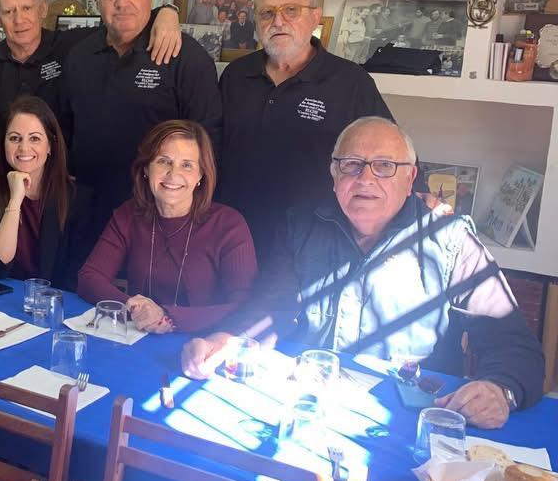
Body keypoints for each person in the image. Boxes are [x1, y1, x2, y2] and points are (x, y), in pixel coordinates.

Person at [182, 118, 543, 429]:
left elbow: (514, 347)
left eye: (384, 166)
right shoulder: (301, 226)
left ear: (410, 177)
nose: (366, 178)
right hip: (311, 409)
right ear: (334, 174)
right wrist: (228, 340)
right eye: (352, 165)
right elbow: (268, 311)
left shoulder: (449, 240)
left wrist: (501, 389)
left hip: (408, 420)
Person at [216, 0, 392, 261]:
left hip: (313, 246)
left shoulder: (350, 81)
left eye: (291, 10)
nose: (278, 21)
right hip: (235, 237)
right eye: (267, 12)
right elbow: (214, 146)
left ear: (315, 18)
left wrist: (419, 197)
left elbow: (388, 148)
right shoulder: (236, 75)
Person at [59, 0, 222, 235]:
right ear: (97, 2)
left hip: (158, 211)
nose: (123, 4)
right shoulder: (78, 55)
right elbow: (65, 126)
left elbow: (208, 139)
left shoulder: (185, 57)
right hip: (87, 207)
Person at [0, 0, 184, 169]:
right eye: (8, 11)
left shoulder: (72, 46)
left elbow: (121, 20)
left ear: (43, 9)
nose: (19, 19)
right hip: (7, 175)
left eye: (26, 8)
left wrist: (167, 12)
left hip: (63, 180)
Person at [78, 120, 257, 333]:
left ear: (201, 175)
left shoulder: (229, 225)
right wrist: (136, 308)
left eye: (187, 165)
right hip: (138, 336)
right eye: (163, 161)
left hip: (203, 344)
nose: (173, 174)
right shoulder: (129, 213)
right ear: (146, 168)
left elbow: (244, 306)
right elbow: (89, 277)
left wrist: (168, 317)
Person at [0, 96, 94, 289]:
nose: (24, 148)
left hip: (51, 304)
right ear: (3, 143)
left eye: (35, 138)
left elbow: (74, 279)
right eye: (14, 138)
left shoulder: (77, 199)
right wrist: (15, 200)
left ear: (50, 145)